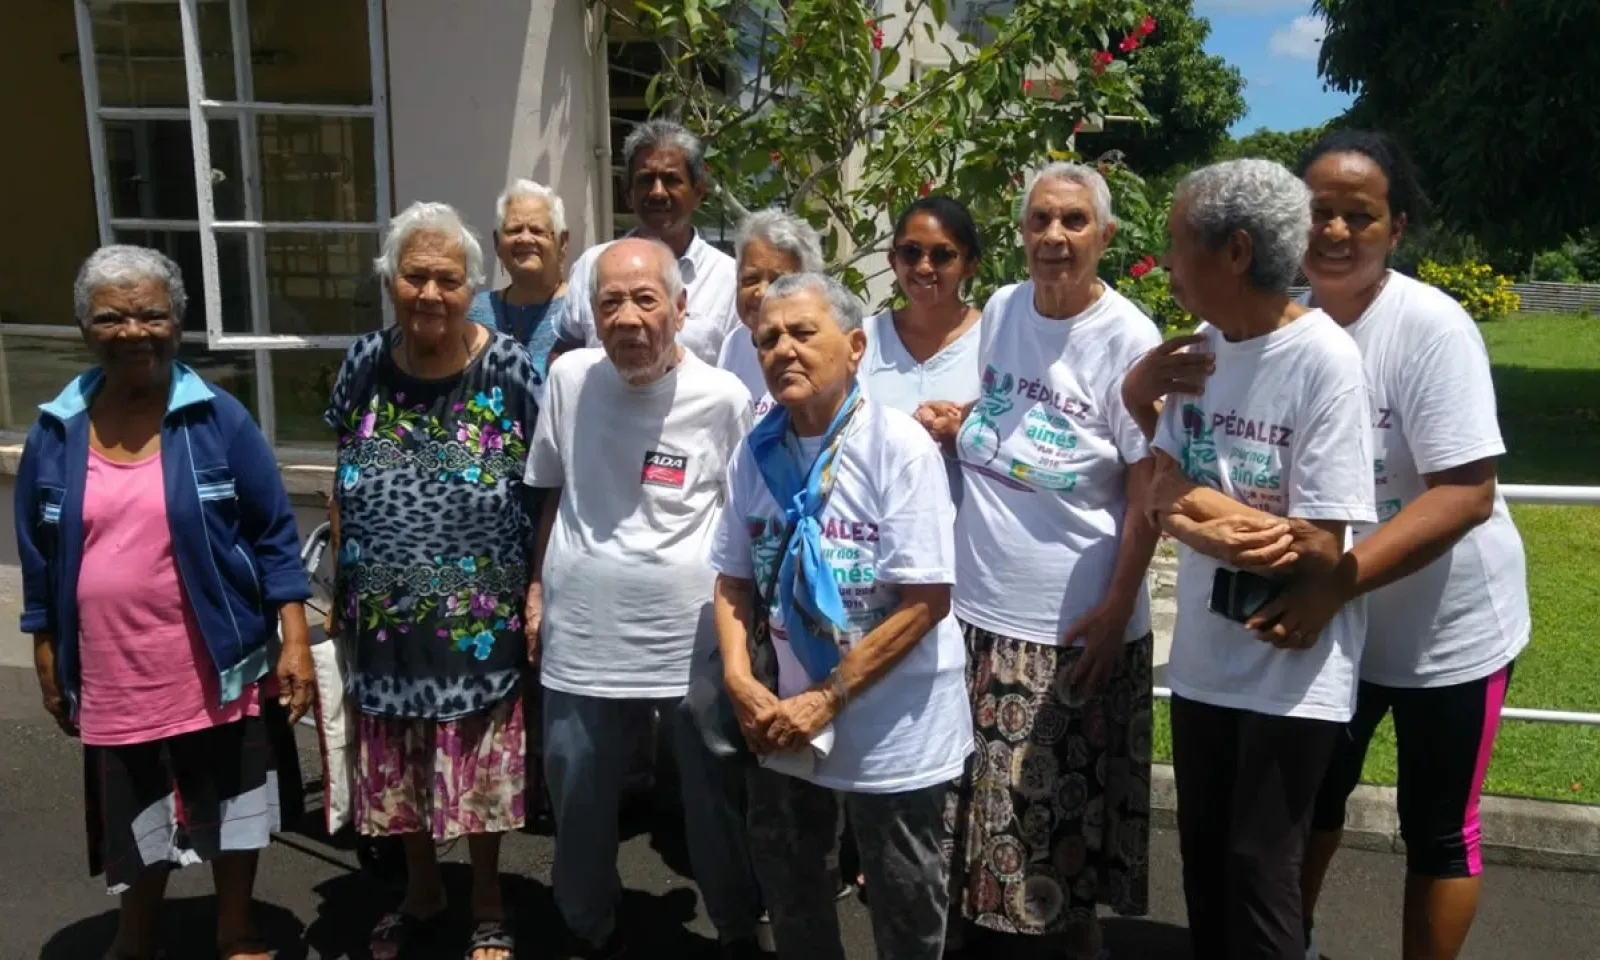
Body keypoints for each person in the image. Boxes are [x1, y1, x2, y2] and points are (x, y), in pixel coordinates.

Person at [15, 245, 314, 960]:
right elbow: (37, 551)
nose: (133, 331)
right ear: (85, 327)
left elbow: (273, 531)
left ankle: (234, 924)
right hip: (115, 663)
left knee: (233, 802)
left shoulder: (217, 419)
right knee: (133, 807)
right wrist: (44, 645)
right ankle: (137, 930)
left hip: (218, 657)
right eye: (112, 317)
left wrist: (295, 639)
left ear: (177, 323)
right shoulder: (57, 432)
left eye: (151, 314)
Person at [1287, 131, 1526, 960]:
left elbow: (1467, 493)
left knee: (1438, 827)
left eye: (1361, 215)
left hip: (1448, 631)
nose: (1337, 232)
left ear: (1398, 228)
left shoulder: (1430, 327)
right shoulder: (1288, 328)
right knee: (1311, 799)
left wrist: (1335, 583)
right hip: (1342, 630)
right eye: (1319, 212)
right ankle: (1294, 943)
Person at [923, 164, 1162, 959]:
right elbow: (1008, 418)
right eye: (1040, 222)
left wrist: (1119, 607)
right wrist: (962, 424)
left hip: (1071, 628)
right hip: (977, 614)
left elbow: (1146, 490)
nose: (1054, 238)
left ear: (1105, 235)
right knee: (969, 841)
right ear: (1021, 232)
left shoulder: (1129, 339)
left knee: (1054, 856)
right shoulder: (1001, 308)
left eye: (1073, 222)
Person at [1141, 159, 1376, 960]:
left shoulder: (1324, 362)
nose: (1167, 261)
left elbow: (1316, 543)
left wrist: (1194, 511)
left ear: (1234, 251)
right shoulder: (1201, 352)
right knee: (1203, 861)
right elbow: (1154, 477)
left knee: (1259, 870)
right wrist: (1196, 514)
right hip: (1206, 662)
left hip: (1288, 669)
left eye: (1177, 243)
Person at [711, 272, 973, 960]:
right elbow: (735, 579)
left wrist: (827, 699)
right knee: (792, 894)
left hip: (894, 722)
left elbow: (926, 603)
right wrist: (740, 679)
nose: (783, 350)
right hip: (786, 713)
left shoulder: (897, 447)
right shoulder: (756, 451)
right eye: (769, 338)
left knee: (905, 903)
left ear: (855, 346)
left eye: (803, 332)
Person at [525, 237, 758, 959]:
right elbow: (552, 490)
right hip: (583, 625)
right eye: (610, 302)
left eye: (645, 299)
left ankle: (738, 923)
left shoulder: (724, 397)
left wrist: (743, 635)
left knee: (713, 788)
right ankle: (583, 922)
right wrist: (535, 588)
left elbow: (745, 518)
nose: (627, 318)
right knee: (578, 789)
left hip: (690, 629)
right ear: (590, 314)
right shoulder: (567, 379)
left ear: (682, 309)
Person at [324, 202, 540, 960]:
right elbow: (343, 471)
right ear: (391, 282)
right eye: (414, 276)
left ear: (469, 288)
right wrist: (340, 577)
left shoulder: (510, 367)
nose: (430, 294)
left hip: (479, 617)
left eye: (447, 279)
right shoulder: (364, 361)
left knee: (476, 753)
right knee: (400, 755)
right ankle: (420, 887)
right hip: (384, 615)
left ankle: (486, 896)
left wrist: (539, 586)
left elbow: (547, 487)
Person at [558, 119, 738, 365]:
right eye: (645, 179)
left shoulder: (729, 279)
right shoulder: (592, 265)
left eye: (671, 179)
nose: (657, 192)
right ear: (628, 194)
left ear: (698, 192)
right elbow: (565, 354)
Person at [864, 196, 984, 505]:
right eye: (911, 252)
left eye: (943, 255)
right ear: (893, 261)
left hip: (965, 540)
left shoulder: (995, 342)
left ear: (970, 265)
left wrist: (962, 434)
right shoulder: (862, 340)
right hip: (872, 532)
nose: (924, 266)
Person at [467, 179, 570, 405]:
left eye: (537, 230)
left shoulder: (581, 311)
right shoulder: (473, 313)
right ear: (497, 242)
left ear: (562, 242)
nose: (525, 238)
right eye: (514, 230)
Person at [717, 208, 826, 418]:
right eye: (750, 279)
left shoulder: (824, 347)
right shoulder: (734, 343)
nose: (762, 293)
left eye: (778, 281)